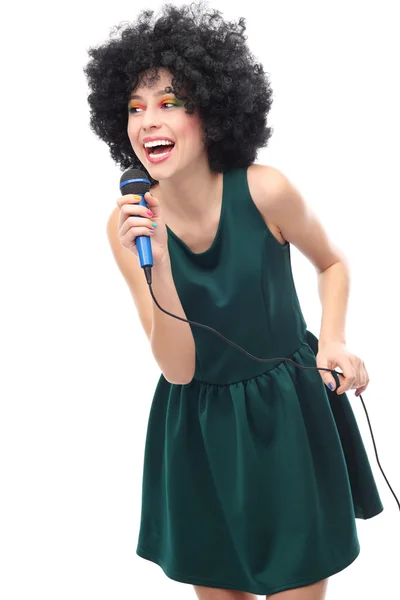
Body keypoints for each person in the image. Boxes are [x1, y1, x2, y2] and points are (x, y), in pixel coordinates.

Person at [83, 2, 384, 598]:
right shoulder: (130, 231)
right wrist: (160, 269)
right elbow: (178, 367)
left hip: (289, 411)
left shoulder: (266, 190)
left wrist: (333, 339)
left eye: (170, 103)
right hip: (198, 426)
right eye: (135, 107)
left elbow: (332, 262)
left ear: (213, 113)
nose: (147, 122)